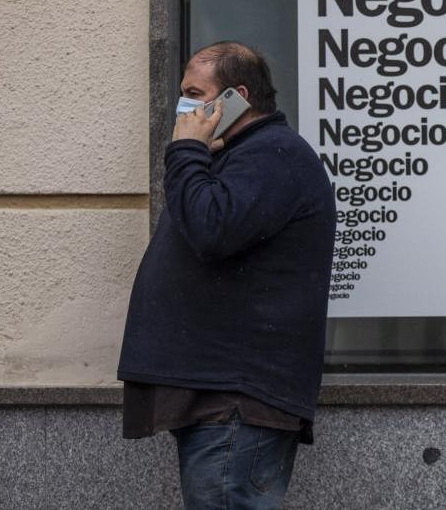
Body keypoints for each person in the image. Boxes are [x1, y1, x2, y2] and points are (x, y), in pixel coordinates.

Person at [117, 41, 335, 509]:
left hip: (237, 401)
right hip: (222, 399)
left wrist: (188, 151)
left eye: (195, 93)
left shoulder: (272, 154)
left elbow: (211, 229)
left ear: (236, 96)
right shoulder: (242, 156)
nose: (184, 107)